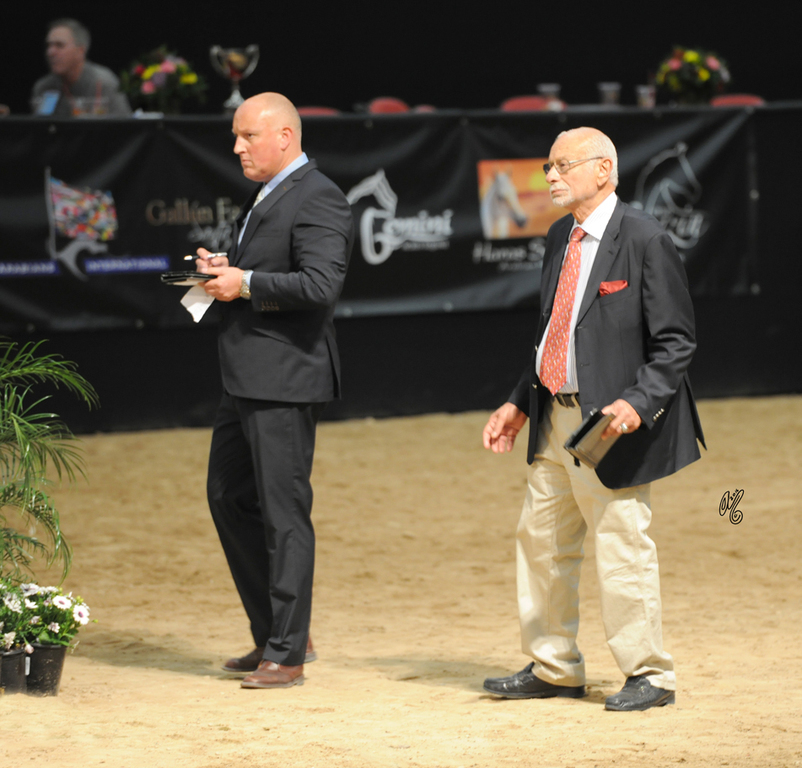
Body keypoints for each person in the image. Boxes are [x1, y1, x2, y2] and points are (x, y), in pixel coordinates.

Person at [481, 127, 705, 711]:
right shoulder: (560, 234)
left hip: (612, 424)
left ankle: (651, 675)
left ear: (603, 170)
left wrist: (639, 400)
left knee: (622, 544)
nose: (549, 176)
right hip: (554, 418)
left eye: (561, 166)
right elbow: (552, 334)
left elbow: (677, 342)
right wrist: (516, 400)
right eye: (548, 167)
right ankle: (555, 665)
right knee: (542, 541)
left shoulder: (646, 238)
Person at [194, 92, 353, 689]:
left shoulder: (320, 196)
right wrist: (227, 267)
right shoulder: (272, 191)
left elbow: (319, 284)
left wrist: (246, 282)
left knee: (284, 515)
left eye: (247, 136)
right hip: (245, 375)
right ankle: (277, 631)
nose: (236, 147)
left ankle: (286, 652)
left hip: (285, 377)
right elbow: (270, 265)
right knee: (227, 497)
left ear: (284, 136)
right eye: (235, 137)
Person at [31, 19, 131, 117]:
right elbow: (39, 129)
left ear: (81, 51)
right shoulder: (45, 87)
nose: (50, 52)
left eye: (59, 45)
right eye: (49, 45)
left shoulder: (104, 83)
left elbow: (125, 127)